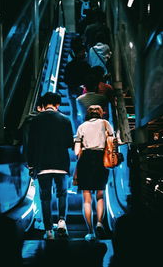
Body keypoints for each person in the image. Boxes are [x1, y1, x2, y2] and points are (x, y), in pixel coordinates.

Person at [27, 92, 74, 240]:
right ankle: (61, 221)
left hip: (42, 165)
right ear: (57, 104)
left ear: (44, 103)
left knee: (45, 197)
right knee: (62, 194)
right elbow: (69, 144)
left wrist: (30, 165)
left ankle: (49, 231)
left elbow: (31, 145)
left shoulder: (35, 120)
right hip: (61, 163)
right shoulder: (65, 120)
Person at [74, 105, 114, 241]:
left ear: (88, 114)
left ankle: (90, 231)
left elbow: (76, 151)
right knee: (100, 195)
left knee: (86, 198)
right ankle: (99, 223)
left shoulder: (82, 126)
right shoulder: (105, 123)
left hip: (85, 160)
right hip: (101, 159)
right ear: (101, 113)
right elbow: (112, 142)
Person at [64, 42, 91, 133]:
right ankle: (84, 131)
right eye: (82, 52)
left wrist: (73, 85)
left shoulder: (69, 65)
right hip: (82, 91)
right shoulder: (86, 65)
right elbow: (88, 79)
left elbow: (65, 80)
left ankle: (76, 131)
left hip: (71, 91)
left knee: (74, 111)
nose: (84, 54)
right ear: (78, 53)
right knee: (84, 111)